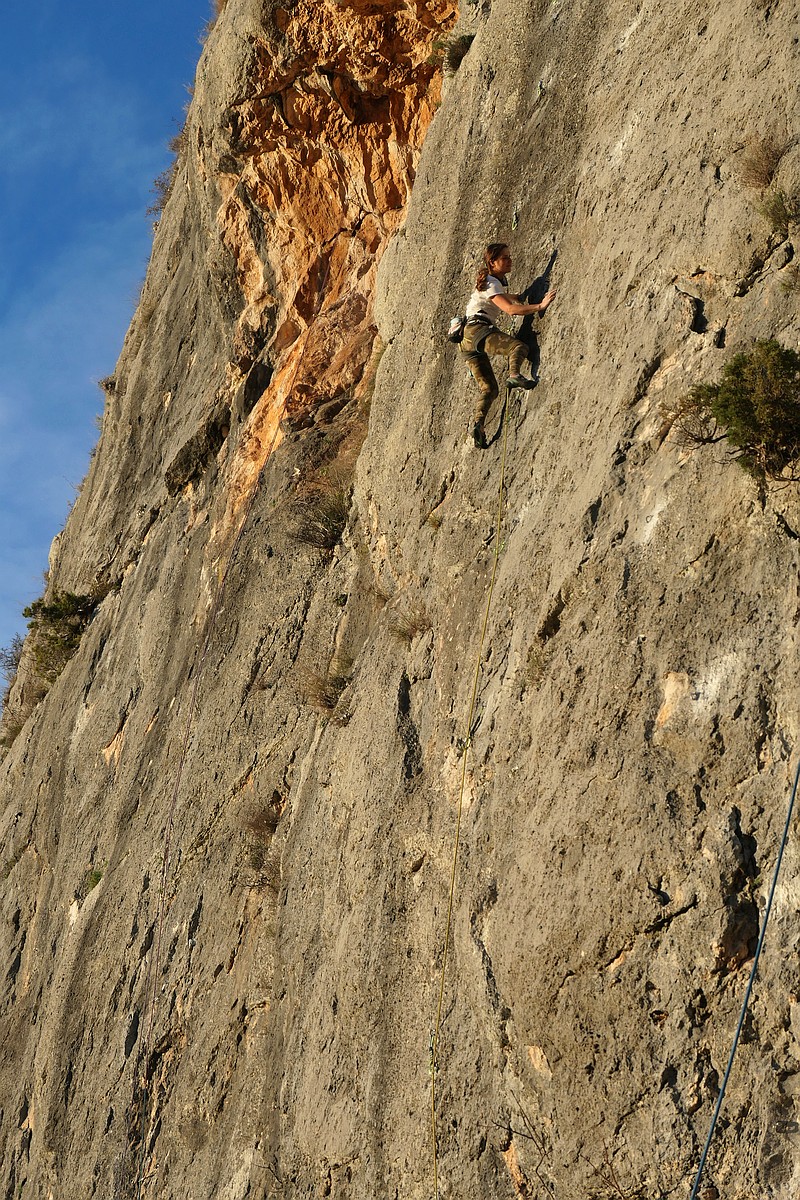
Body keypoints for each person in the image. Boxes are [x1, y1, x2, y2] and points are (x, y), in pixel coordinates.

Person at [461, 243, 556, 447]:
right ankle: (514, 375)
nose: (510, 260)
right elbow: (510, 309)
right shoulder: (491, 281)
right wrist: (539, 306)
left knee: (489, 390)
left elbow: (507, 298)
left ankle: (478, 425)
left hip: (466, 341)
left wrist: (522, 296)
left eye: (509, 256)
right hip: (477, 330)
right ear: (492, 262)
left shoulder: (493, 282)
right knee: (518, 348)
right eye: (504, 258)